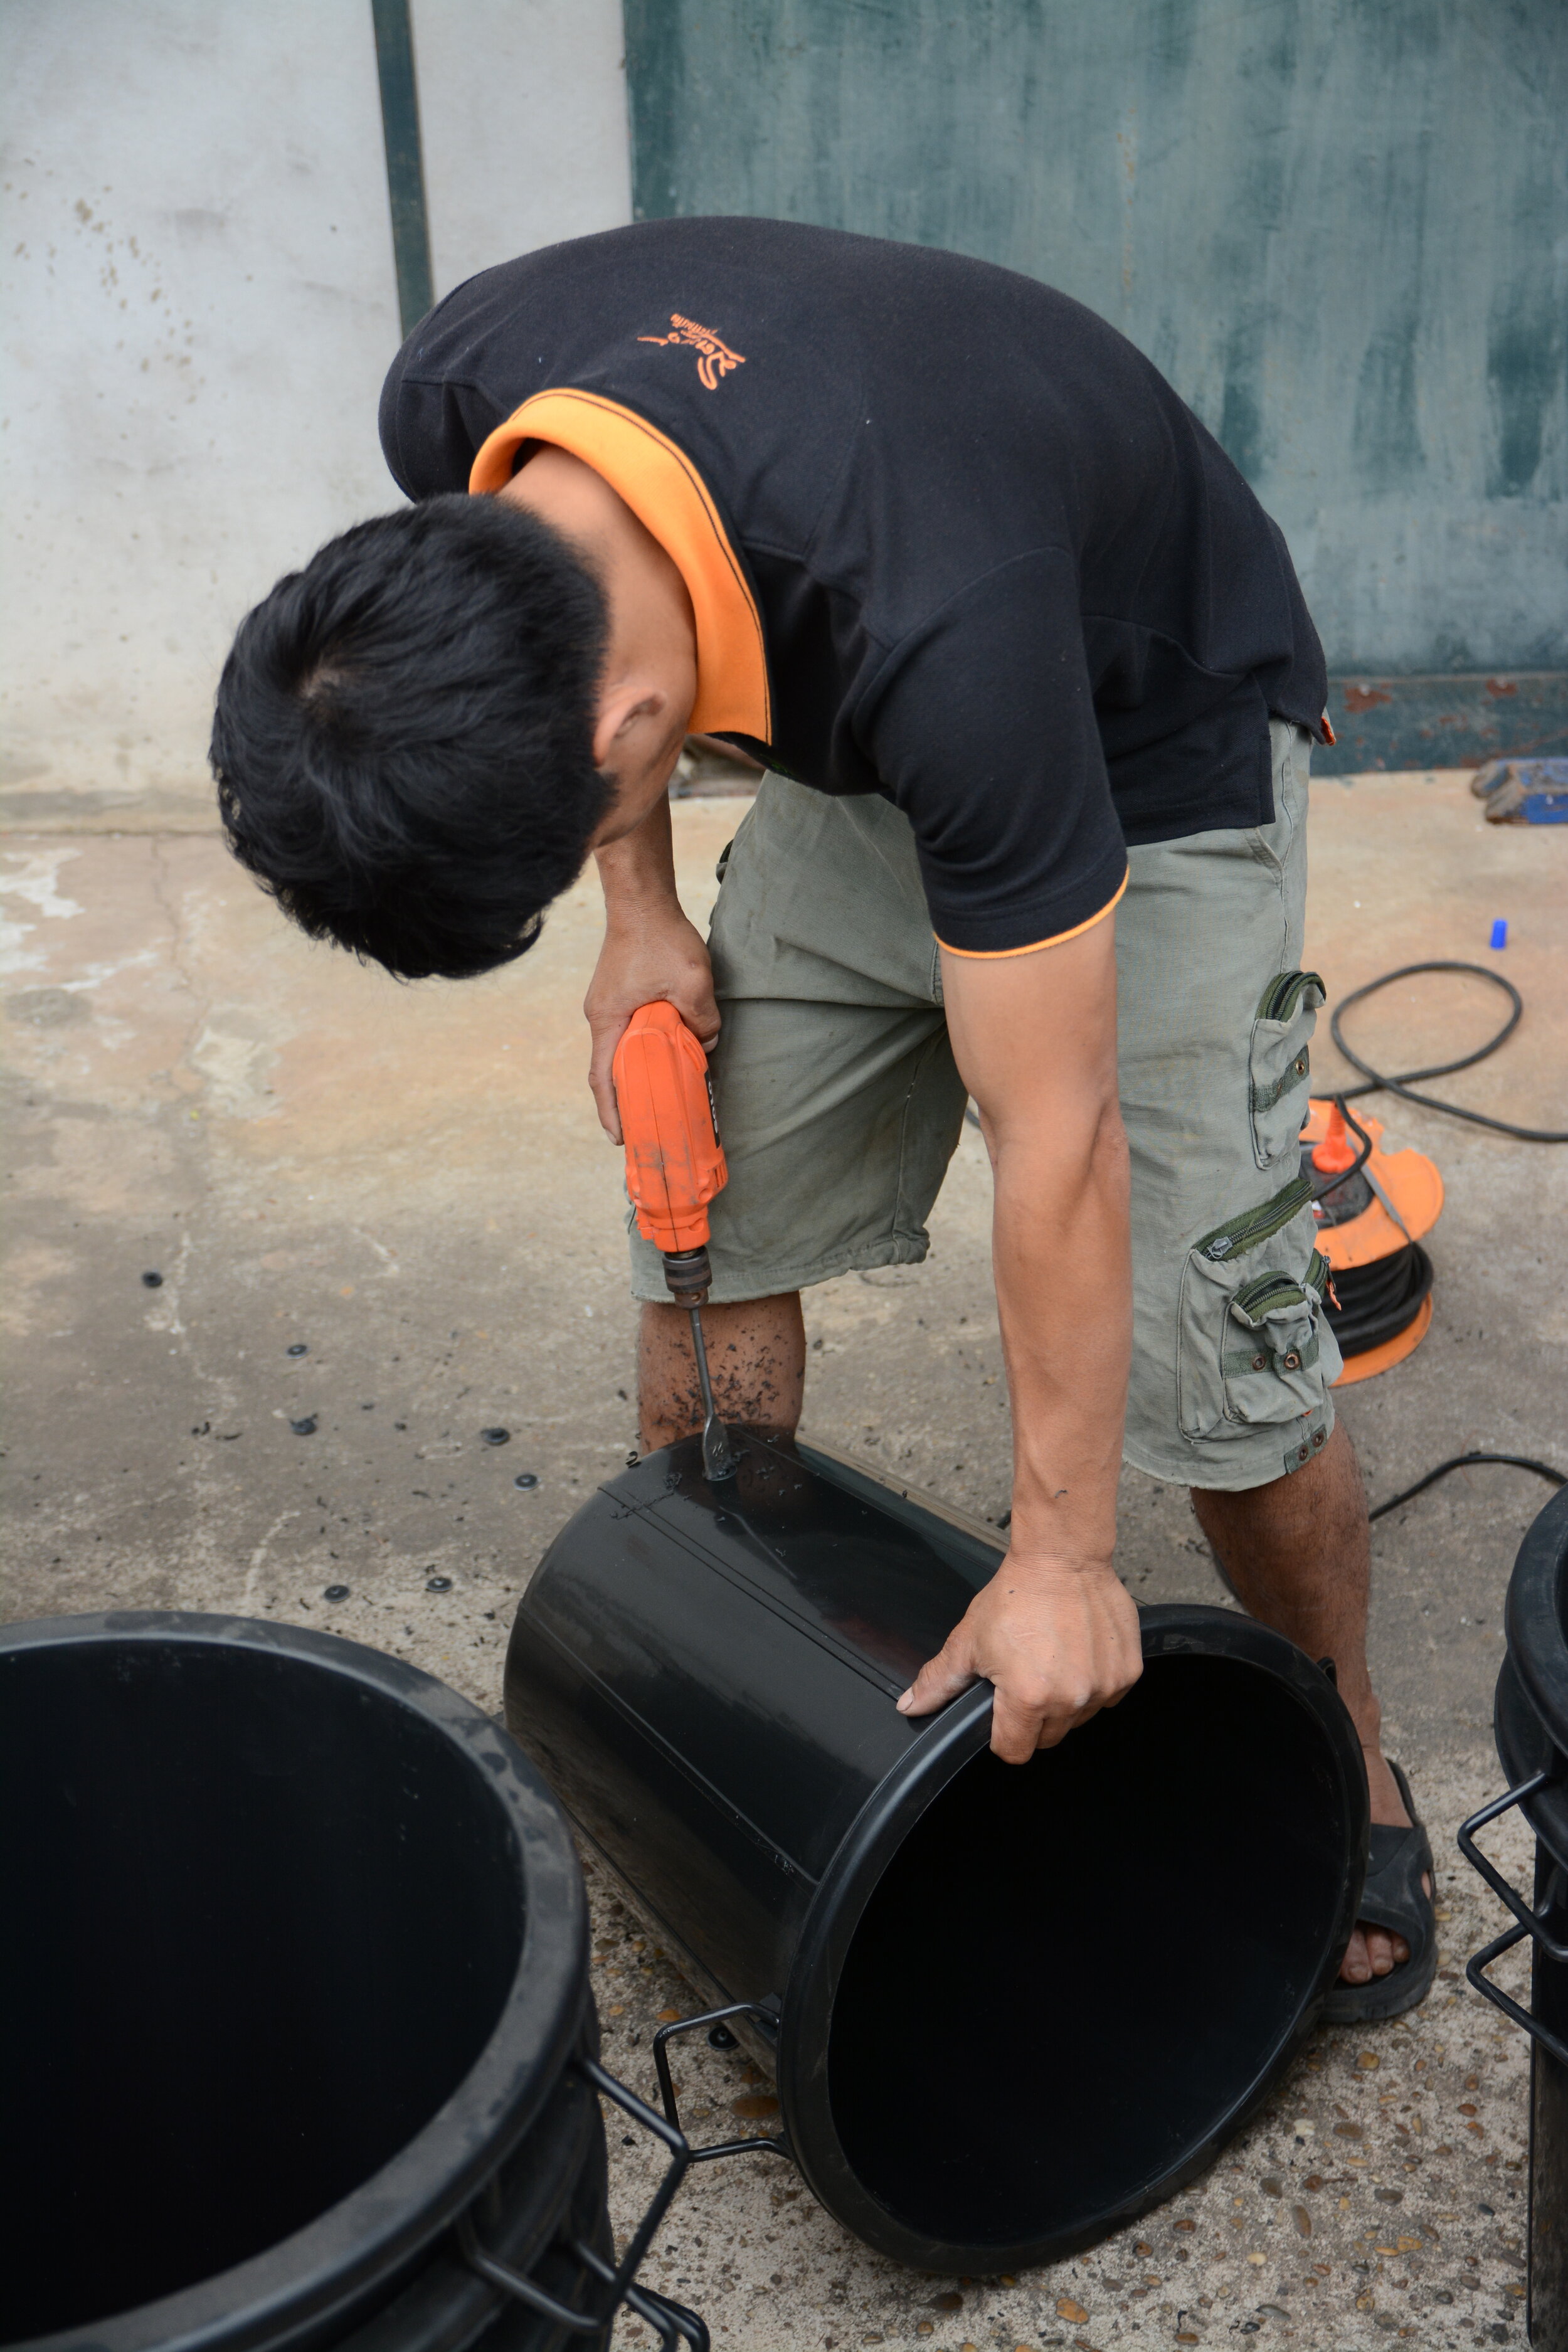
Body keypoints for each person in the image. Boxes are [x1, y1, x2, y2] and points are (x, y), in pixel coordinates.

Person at [211, 217, 1434, 2018]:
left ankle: (1346, 1749)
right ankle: (737, 1650)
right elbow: (559, 637)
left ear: (633, 728)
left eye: (571, 840)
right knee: (705, 1210)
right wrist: (634, 909)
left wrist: (1062, 1558)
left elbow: (1059, 1137)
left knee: (1214, 1354)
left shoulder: (940, 612)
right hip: (849, 723)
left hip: (1133, 756)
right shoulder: (460, 393)